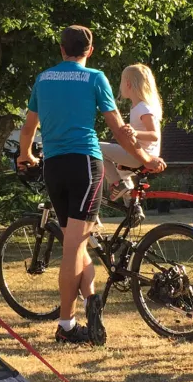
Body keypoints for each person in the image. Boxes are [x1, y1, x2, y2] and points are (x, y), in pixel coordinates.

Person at [17, 26, 166, 345]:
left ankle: (91, 301)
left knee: (77, 242)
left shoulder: (43, 79)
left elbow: (29, 126)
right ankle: (67, 324)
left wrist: (25, 155)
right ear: (90, 50)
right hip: (85, 164)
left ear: (61, 49)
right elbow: (119, 129)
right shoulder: (95, 78)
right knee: (74, 246)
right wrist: (146, 159)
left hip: (54, 166)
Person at [100, 64, 162, 205]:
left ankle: (116, 184)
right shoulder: (137, 107)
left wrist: (135, 132)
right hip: (138, 153)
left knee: (96, 147)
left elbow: (154, 135)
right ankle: (133, 209)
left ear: (127, 84)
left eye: (122, 82)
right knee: (122, 173)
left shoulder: (143, 108)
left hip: (140, 155)